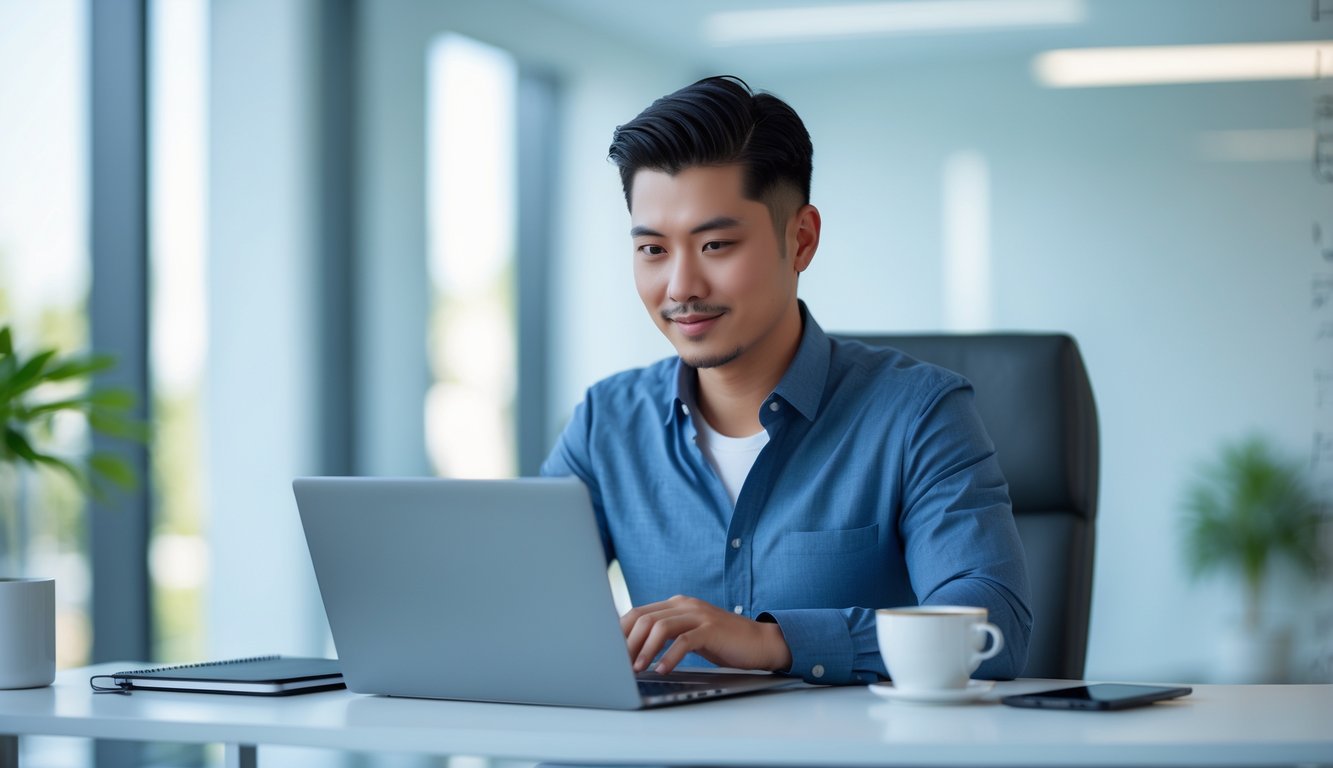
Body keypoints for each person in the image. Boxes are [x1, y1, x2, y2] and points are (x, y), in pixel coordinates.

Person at [540, 75, 1031, 685]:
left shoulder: (919, 413)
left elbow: (995, 632)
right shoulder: (606, 422)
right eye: (652, 250)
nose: (680, 287)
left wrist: (772, 642)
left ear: (799, 240)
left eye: (716, 244)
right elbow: (523, 609)